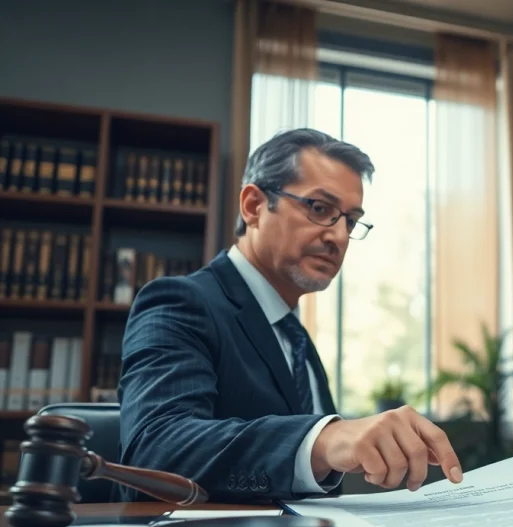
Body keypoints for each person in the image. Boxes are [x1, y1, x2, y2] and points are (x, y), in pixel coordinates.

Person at [117, 128, 462, 503]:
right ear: (253, 206)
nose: (339, 237)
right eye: (320, 209)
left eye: (350, 221)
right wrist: (325, 439)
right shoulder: (180, 302)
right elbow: (153, 449)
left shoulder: (295, 338)